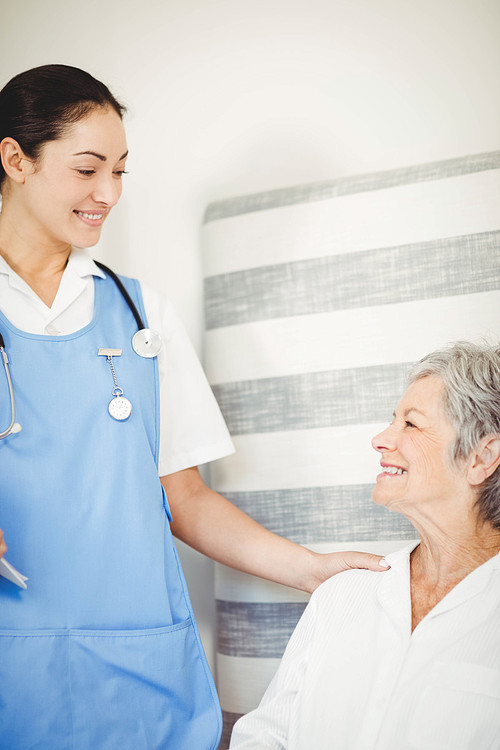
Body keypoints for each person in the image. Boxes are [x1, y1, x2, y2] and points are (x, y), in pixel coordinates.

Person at [0, 64, 388, 750]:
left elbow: (184, 498)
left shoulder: (140, 313)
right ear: (15, 159)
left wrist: (312, 570)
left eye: (120, 172)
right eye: (88, 169)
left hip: (139, 667)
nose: (108, 193)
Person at [230, 341, 500, 750]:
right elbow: (265, 736)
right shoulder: (342, 593)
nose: (380, 438)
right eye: (392, 420)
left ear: (482, 457)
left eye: (411, 424)